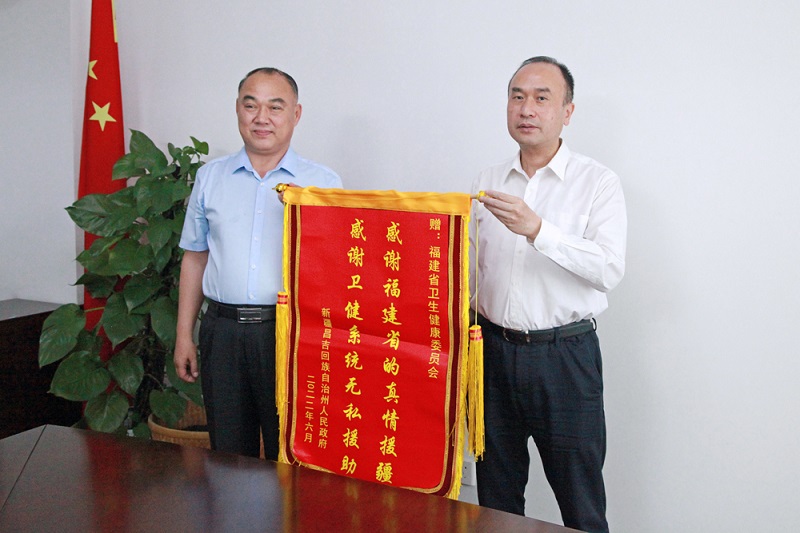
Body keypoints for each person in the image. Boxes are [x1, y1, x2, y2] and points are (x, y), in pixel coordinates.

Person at [470, 56, 626, 533]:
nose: (527, 109)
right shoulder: (487, 180)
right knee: (495, 497)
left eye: (542, 98)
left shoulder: (597, 182)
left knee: (580, 501)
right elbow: (470, 267)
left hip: (564, 359)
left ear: (567, 111)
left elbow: (608, 268)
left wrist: (539, 230)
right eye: (517, 96)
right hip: (491, 352)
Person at [175, 67, 342, 460]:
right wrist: (184, 335)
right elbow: (195, 257)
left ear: (295, 114)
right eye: (251, 106)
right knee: (229, 454)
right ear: (237, 109)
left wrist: (309, 212)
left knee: (293, 454)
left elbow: (336, 270)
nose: (261, 118)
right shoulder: (210, 177)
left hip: (289, 333)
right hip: (222, 332)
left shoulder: (323, 184)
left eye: (275, 107)